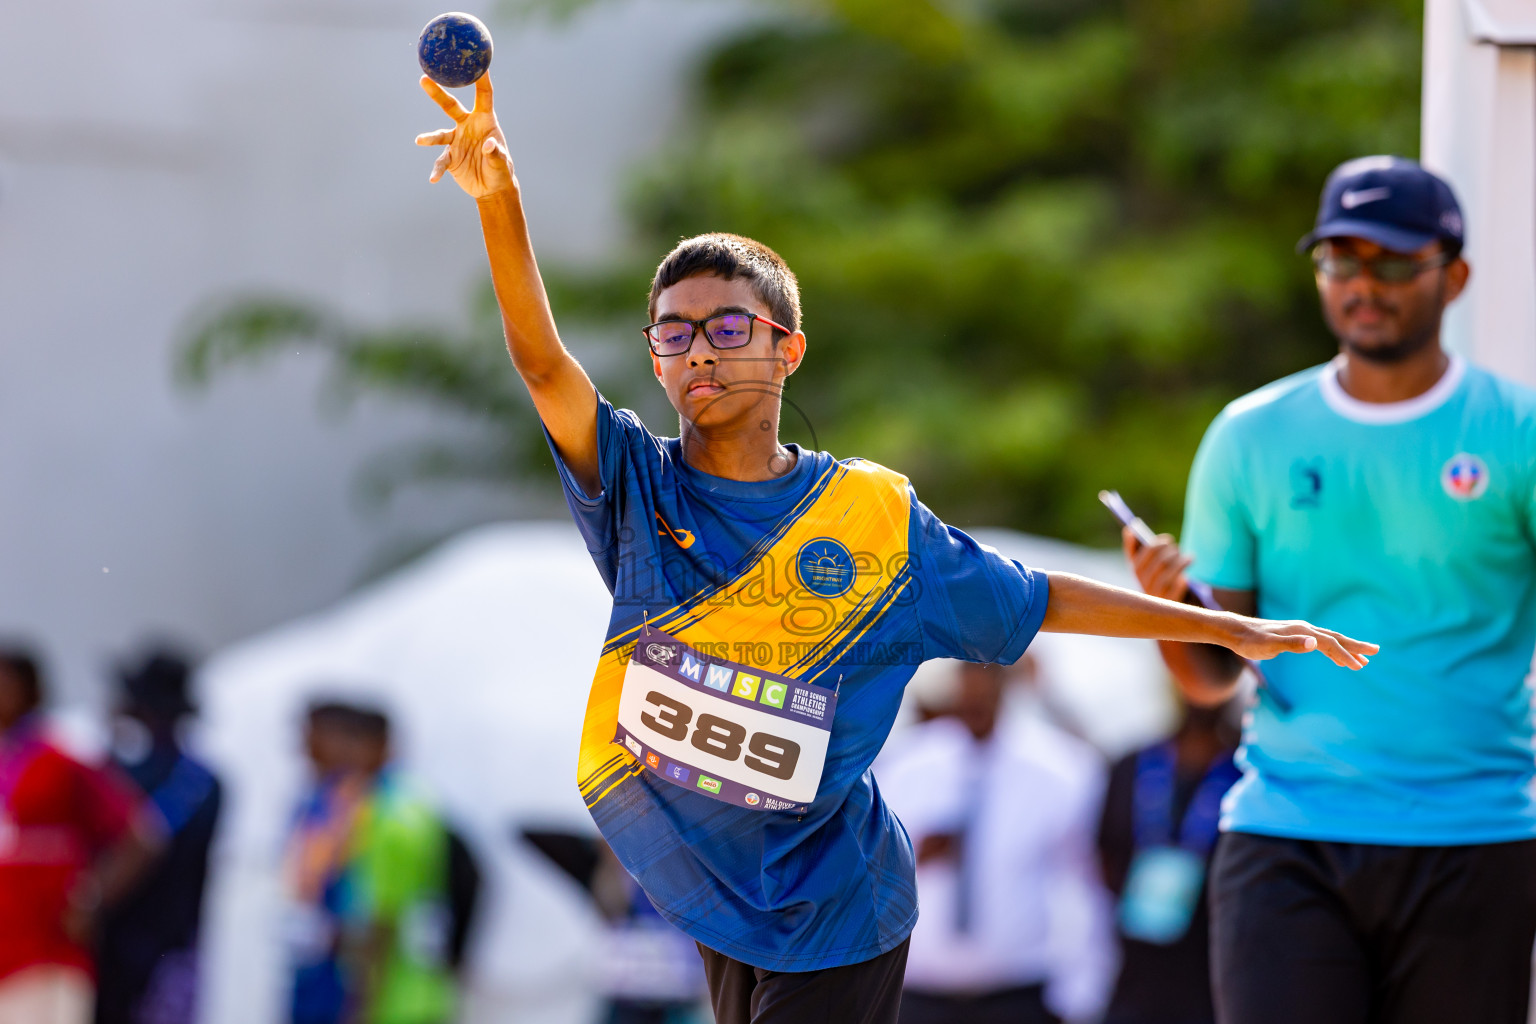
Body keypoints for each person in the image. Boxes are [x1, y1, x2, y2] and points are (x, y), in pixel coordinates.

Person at [412, 73, 1376, 1024]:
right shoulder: (634, 487)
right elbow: (542, 361)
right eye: (673, 333)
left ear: (787, 349)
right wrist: (501, 201)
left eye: (727, 326)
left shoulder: (873, 520)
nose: (698, 351)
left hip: (843, 904)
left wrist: (1227, 626)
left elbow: (1037, 598)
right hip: (724, 899)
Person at [1122, 155, 1536, 1024]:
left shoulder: (1517, 430)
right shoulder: (1250, 434)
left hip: (1478, 833)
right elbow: (1211, 679)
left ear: (1452, 275)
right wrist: (1166, 611)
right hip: (1287, 830)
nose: (1364, 285)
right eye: (1341, 261)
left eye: (1391, 262)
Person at [877, 660, 1113, 1024]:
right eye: (969, 669)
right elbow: (870, 876)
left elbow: (1083, 884)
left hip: (1020, 994)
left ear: (1009, 678)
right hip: (918, 995)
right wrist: (912, 857)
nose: (977, 685)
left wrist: (1084, 993)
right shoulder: (906, 765)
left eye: (989, 670)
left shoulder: (1062, 769)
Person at [0, 646, 164, 1024]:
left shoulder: (56, 761)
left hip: (45, 948)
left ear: (30, 692)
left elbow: (142, 836)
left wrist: (92, 898)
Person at [284, 702, 456, 1024]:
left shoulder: (382, 812)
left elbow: (381, 919)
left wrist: (362, 1004)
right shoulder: (412, 803)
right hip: (419, 992)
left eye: (351, 742)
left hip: (391, 1000)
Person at [96, 647, 223, 1024]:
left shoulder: (191, 783)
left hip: (159, 950)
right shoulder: (120, 771)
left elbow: (150, 838)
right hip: (137, 947)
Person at [1096, 694, 1240, 1024]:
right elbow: (1101, 852)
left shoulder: (1248, 775)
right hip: (1134, 974)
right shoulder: (1132, 766)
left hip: (1213, 977)